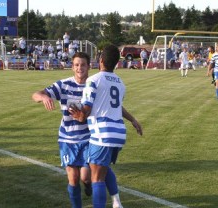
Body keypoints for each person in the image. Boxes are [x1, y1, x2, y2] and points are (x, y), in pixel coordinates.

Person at [69, 45, 143, 208]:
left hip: (102, 133)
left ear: (100, 60)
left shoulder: (93, 80)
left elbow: (86, 109)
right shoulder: (120, 83)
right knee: (103, 169)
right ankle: (116, 202)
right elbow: (116, 107)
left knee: (97, 179)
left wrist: (79, 116)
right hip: (118, 133)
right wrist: (133, 119)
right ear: (116, 63)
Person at [32, 52, 93, 208]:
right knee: (73, 179)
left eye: (83, 65)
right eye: (77, 65)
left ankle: (88, 185)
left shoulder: (93, 86)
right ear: (72, 67)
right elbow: (36, 94)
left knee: (85, 177)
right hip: (67, 139)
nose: (80, 68)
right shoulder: (64, 85)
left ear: (89, 66)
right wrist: (44, 97)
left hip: (88, 138)